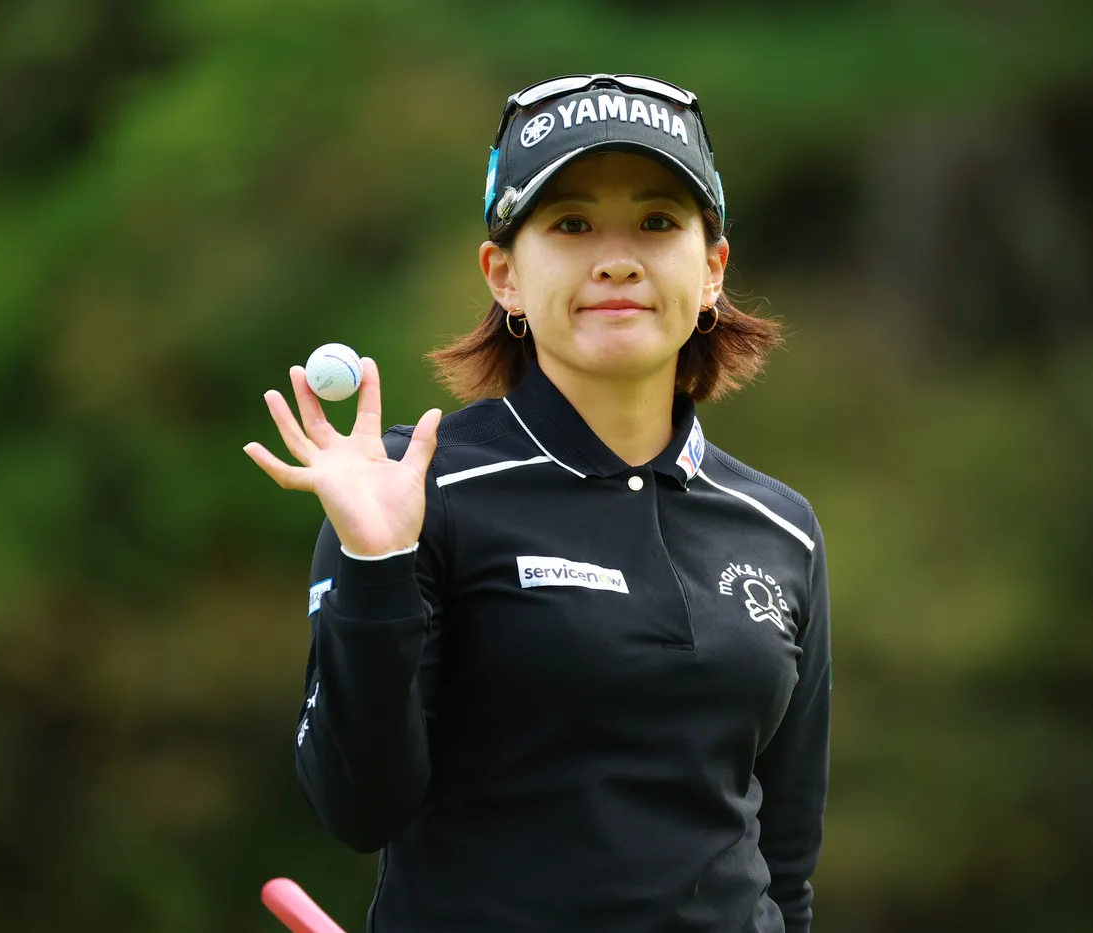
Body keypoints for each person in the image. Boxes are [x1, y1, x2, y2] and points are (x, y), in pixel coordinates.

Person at [243, 74, 832, 933]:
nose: (617, 259)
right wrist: (375, 567)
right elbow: (357, 806)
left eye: (658, 222)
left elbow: (787, 865)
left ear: (712, 270)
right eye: (571, 224)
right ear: (505, 276)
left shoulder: (782, 528)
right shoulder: (412, 489)